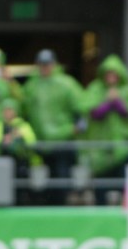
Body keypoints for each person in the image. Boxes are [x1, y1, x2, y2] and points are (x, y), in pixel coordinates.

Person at [22, 49, 84, 186]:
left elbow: (81, 107)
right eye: (42, 64)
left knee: (62, 177)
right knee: (43, 182)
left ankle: (63, 203)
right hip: (40, 142)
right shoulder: (31, 85)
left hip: (63, 138)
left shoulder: (66, 83)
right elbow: (23, 110)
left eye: (47, 64)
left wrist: (77, 127)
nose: (45, 67)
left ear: (54, 64)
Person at [80, 54, 128, 182]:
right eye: (108, 74)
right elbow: (93, 114)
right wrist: (108, 102)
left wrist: (117, 102)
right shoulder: (95, 89)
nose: (111, 77)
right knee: (102, 185)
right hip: (101, 147)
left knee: (124, 187)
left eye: (114, 74)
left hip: (124, 147)